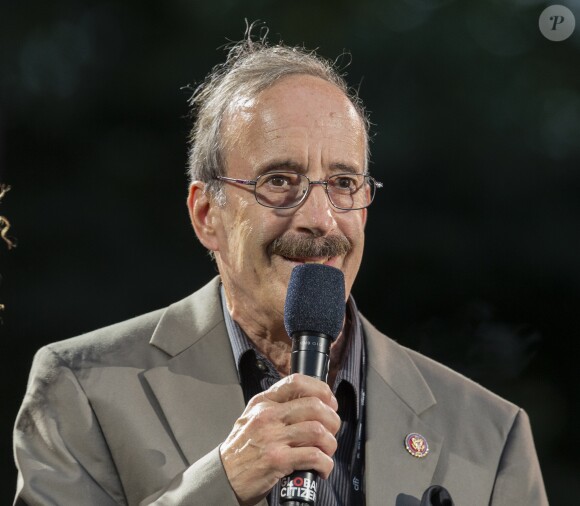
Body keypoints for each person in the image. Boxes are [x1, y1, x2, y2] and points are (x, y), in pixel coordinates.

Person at [13, 29, 548, 506]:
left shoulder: (491, 435)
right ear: (206, 214)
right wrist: (223, 481)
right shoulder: (83, 389)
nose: (320, 219)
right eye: (279, 181)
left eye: (342, 184)